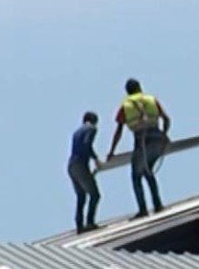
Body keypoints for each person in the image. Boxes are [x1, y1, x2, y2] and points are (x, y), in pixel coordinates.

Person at [108, 78, 172, 218]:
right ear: (139, 87)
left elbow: (118, 131)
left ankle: (143, 209)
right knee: (148, 171)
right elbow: (166, 119)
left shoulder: (125, 106)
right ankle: (158, 204)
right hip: (156, 139)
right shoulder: (151, 99)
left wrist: (112, 151)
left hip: (141, 140)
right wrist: (164, 135)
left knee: (136, 176)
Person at [68, 111, 103, 234]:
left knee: (81, 196)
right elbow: (87, 144)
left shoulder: (77, 132)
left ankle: (79, 225)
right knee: (95, 195)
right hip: (80, 165)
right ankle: (89, 222)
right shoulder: (91, 128)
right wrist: (96, 159)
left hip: (71, 166)